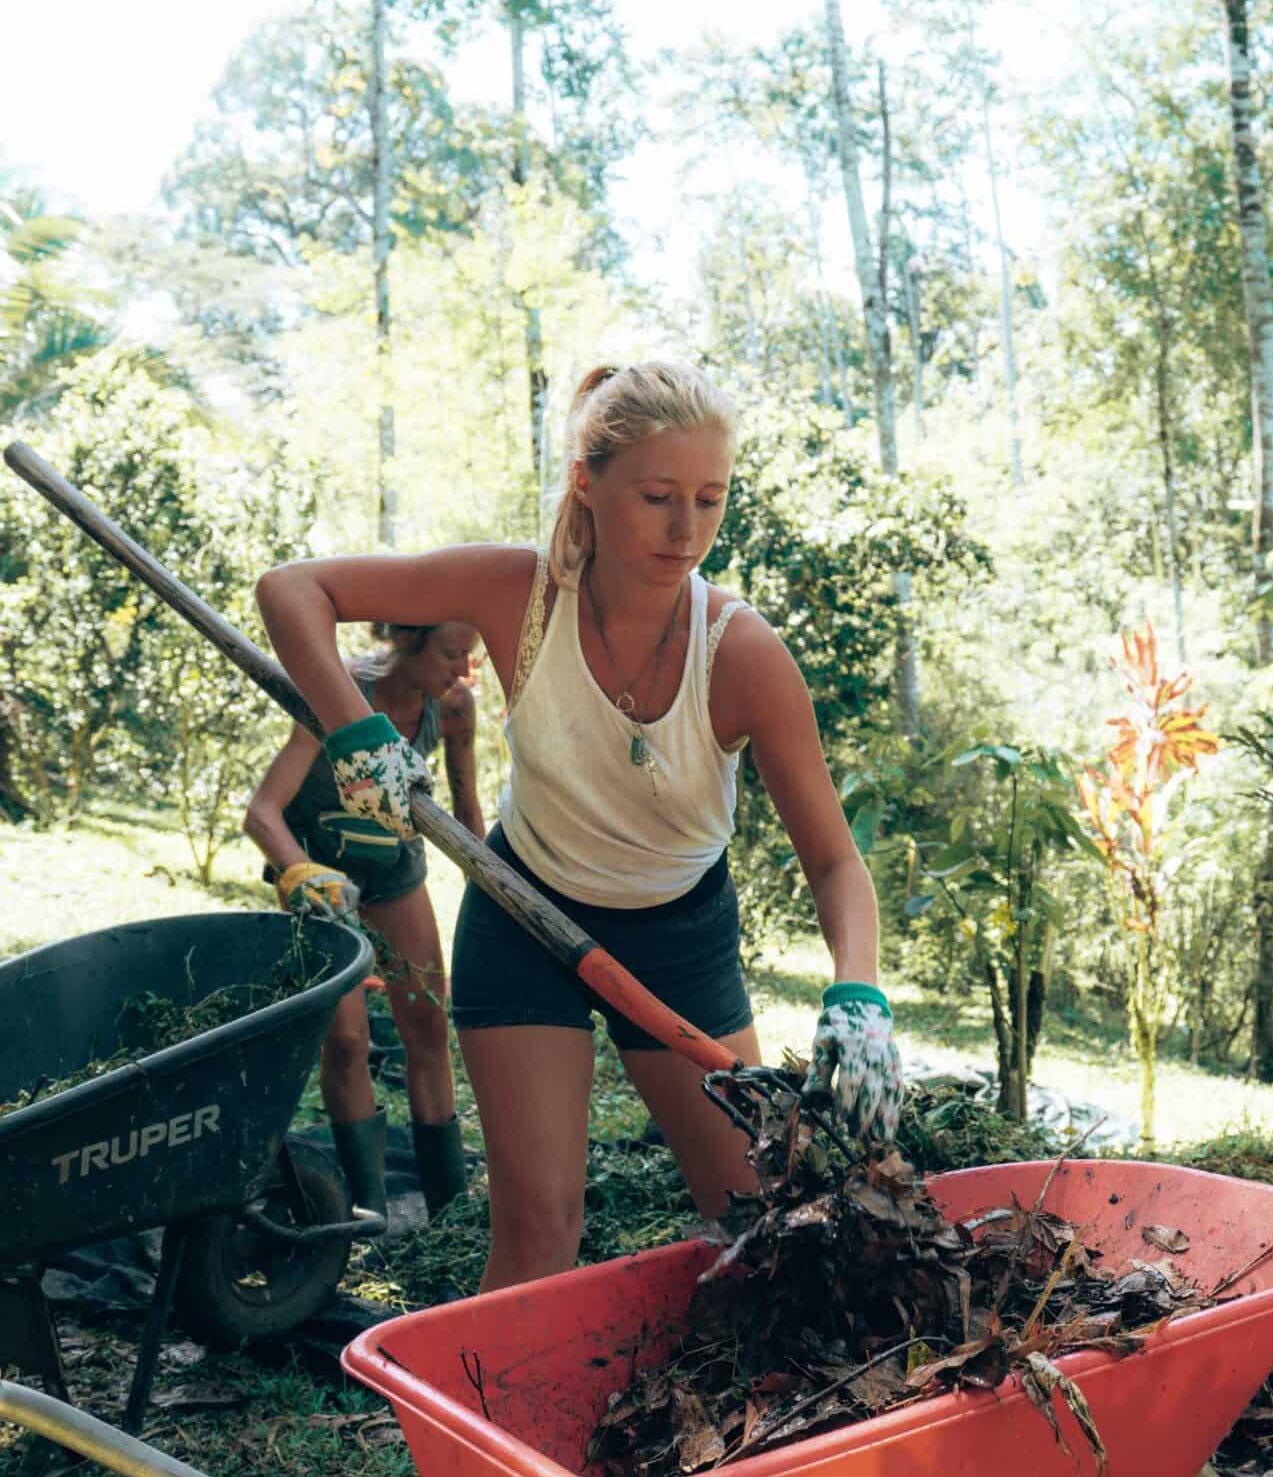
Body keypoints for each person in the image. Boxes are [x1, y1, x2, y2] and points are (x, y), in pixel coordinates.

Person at [255, 361, 904, 1290]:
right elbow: (293, 589)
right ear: (587, 484)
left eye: (712, 500)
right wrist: (357, 733)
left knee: (755, 1220)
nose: (688, 532)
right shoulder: (514, 592)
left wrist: (860, 996)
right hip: (525, 915)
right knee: (537, 1225)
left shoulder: (743, 653)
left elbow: (836, 863)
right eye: (658, 497)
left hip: (678, 941)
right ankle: (487, 1434)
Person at [243, 619, 484, 1225]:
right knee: (347, 1042)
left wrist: (491, 884)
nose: (463, 670)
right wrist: (301, 876)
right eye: (452, 654)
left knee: (428, 1025)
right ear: (407, 642)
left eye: (469, 657)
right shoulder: (343, 692)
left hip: (393, 867)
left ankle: (447, 1210)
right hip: (321, 876)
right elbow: (263, 813)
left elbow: (465, 805)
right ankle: (366, 1212)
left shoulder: (452, 707)